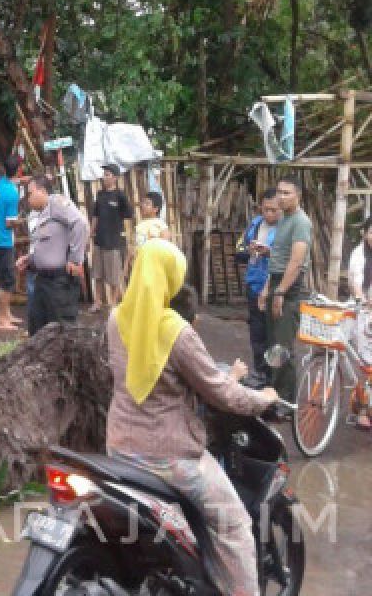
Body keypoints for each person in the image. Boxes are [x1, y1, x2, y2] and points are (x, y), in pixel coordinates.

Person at [106, 240, 278, 596]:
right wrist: (262, 399)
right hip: (170, 459)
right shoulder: (177, 333)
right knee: (233, 525)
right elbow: (223, 393)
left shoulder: (116, 318)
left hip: (120, 450)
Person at [258, 177, 312, 409]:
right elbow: (280, 257)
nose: (281, 197)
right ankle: (274, 394)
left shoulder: (301, 221)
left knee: (282, 345)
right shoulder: (283, 219)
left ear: (297, 195)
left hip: (289, 287)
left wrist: (280, 292)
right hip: (277, 281)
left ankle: (286, 401)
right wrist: (267, 288)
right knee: (272, 344)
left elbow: (297, 261)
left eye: (286, 193)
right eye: (279, 192)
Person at [15, 175, 88, 335]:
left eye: (30, 193)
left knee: (61, 332)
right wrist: (30, 259)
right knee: (37, 328)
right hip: (43, 280)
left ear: (42, 191)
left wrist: (75, 259)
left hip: (59, 282)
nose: (28, 198)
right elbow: (48, 245)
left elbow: (80, 224)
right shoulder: (43, 212)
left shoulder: (56, 203)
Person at [235, 189, 280, 384]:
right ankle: (260, 375)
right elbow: (239, 253)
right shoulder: (254, 225)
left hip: (275, 289)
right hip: (254, 285)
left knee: (275, 336)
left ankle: (275, 378)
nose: (269, 214)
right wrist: (250, 250)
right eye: (266, 209)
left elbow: (292, 259)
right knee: (257, 334)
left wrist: (270, 252)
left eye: (273, 210)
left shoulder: (286, 229)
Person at [90, 164, 132, 313]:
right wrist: (91, 232)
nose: (104, 177)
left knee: (114, 276)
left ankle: (113, 303)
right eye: (104, 174)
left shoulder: (120, 195)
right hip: (99, 240)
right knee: (97, 274)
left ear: (115, 177)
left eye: (108, 174)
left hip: (113, 241)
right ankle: (97, 302)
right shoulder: (100, 194)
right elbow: (95, 215)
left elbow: (128, 214)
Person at [0, 156, 23, 329]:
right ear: (17, 170)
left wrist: (24, 179)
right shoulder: (12, 193)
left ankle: (7, 314)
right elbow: (10, 222)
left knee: (3, 278)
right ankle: (1, 320)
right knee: (8, 281)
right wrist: (22, 221)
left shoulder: (0, 184)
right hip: (3, 240)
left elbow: (14, 179)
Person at [346, 217, 372, 429]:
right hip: (364, 314)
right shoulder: (358, 254)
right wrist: (361, 299)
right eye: (371, 232)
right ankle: (362, 410)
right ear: (364, 233)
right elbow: (354, 281)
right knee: (366, 364)